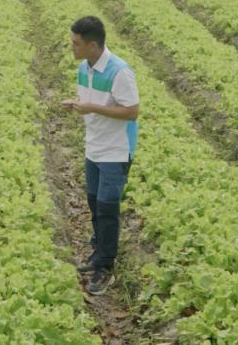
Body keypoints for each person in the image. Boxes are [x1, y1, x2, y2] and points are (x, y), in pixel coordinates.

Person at [61, 16, 139, 295]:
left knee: (107, 208)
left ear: (92, 45)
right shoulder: (84, 68)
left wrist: (92, 107)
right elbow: (91, 103)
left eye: (76, 43)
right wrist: (79, 105)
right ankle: (97, 254)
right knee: (94, 203)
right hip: (93, 146)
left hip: (115, 150)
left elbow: (131, 111)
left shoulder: (119, 72)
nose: (72, 47)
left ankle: (105, 267)